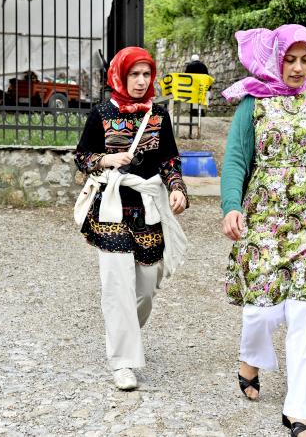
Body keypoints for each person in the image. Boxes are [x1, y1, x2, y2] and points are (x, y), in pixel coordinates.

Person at [220, 24, 306, 436]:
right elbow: (236, 160)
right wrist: (230, 206)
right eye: (289, 59)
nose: (297, 69)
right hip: (265, 213)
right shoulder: (253, 103)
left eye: (305, 59)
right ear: (276, 58)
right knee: (262, 307)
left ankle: (301, 409)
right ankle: (251, 357)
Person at [75, 46, 188, 391]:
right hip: (110, 206)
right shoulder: (101, 114)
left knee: (146, 285)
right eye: (134, 75)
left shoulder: (159, 115)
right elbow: (82, 157)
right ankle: (123, 361)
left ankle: (126, 334)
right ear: (120, 76)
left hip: (148, 206)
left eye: (145, 74)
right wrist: (106, 161)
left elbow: (169, 158)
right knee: (117, 285)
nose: (140, 81)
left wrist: (177, 188)